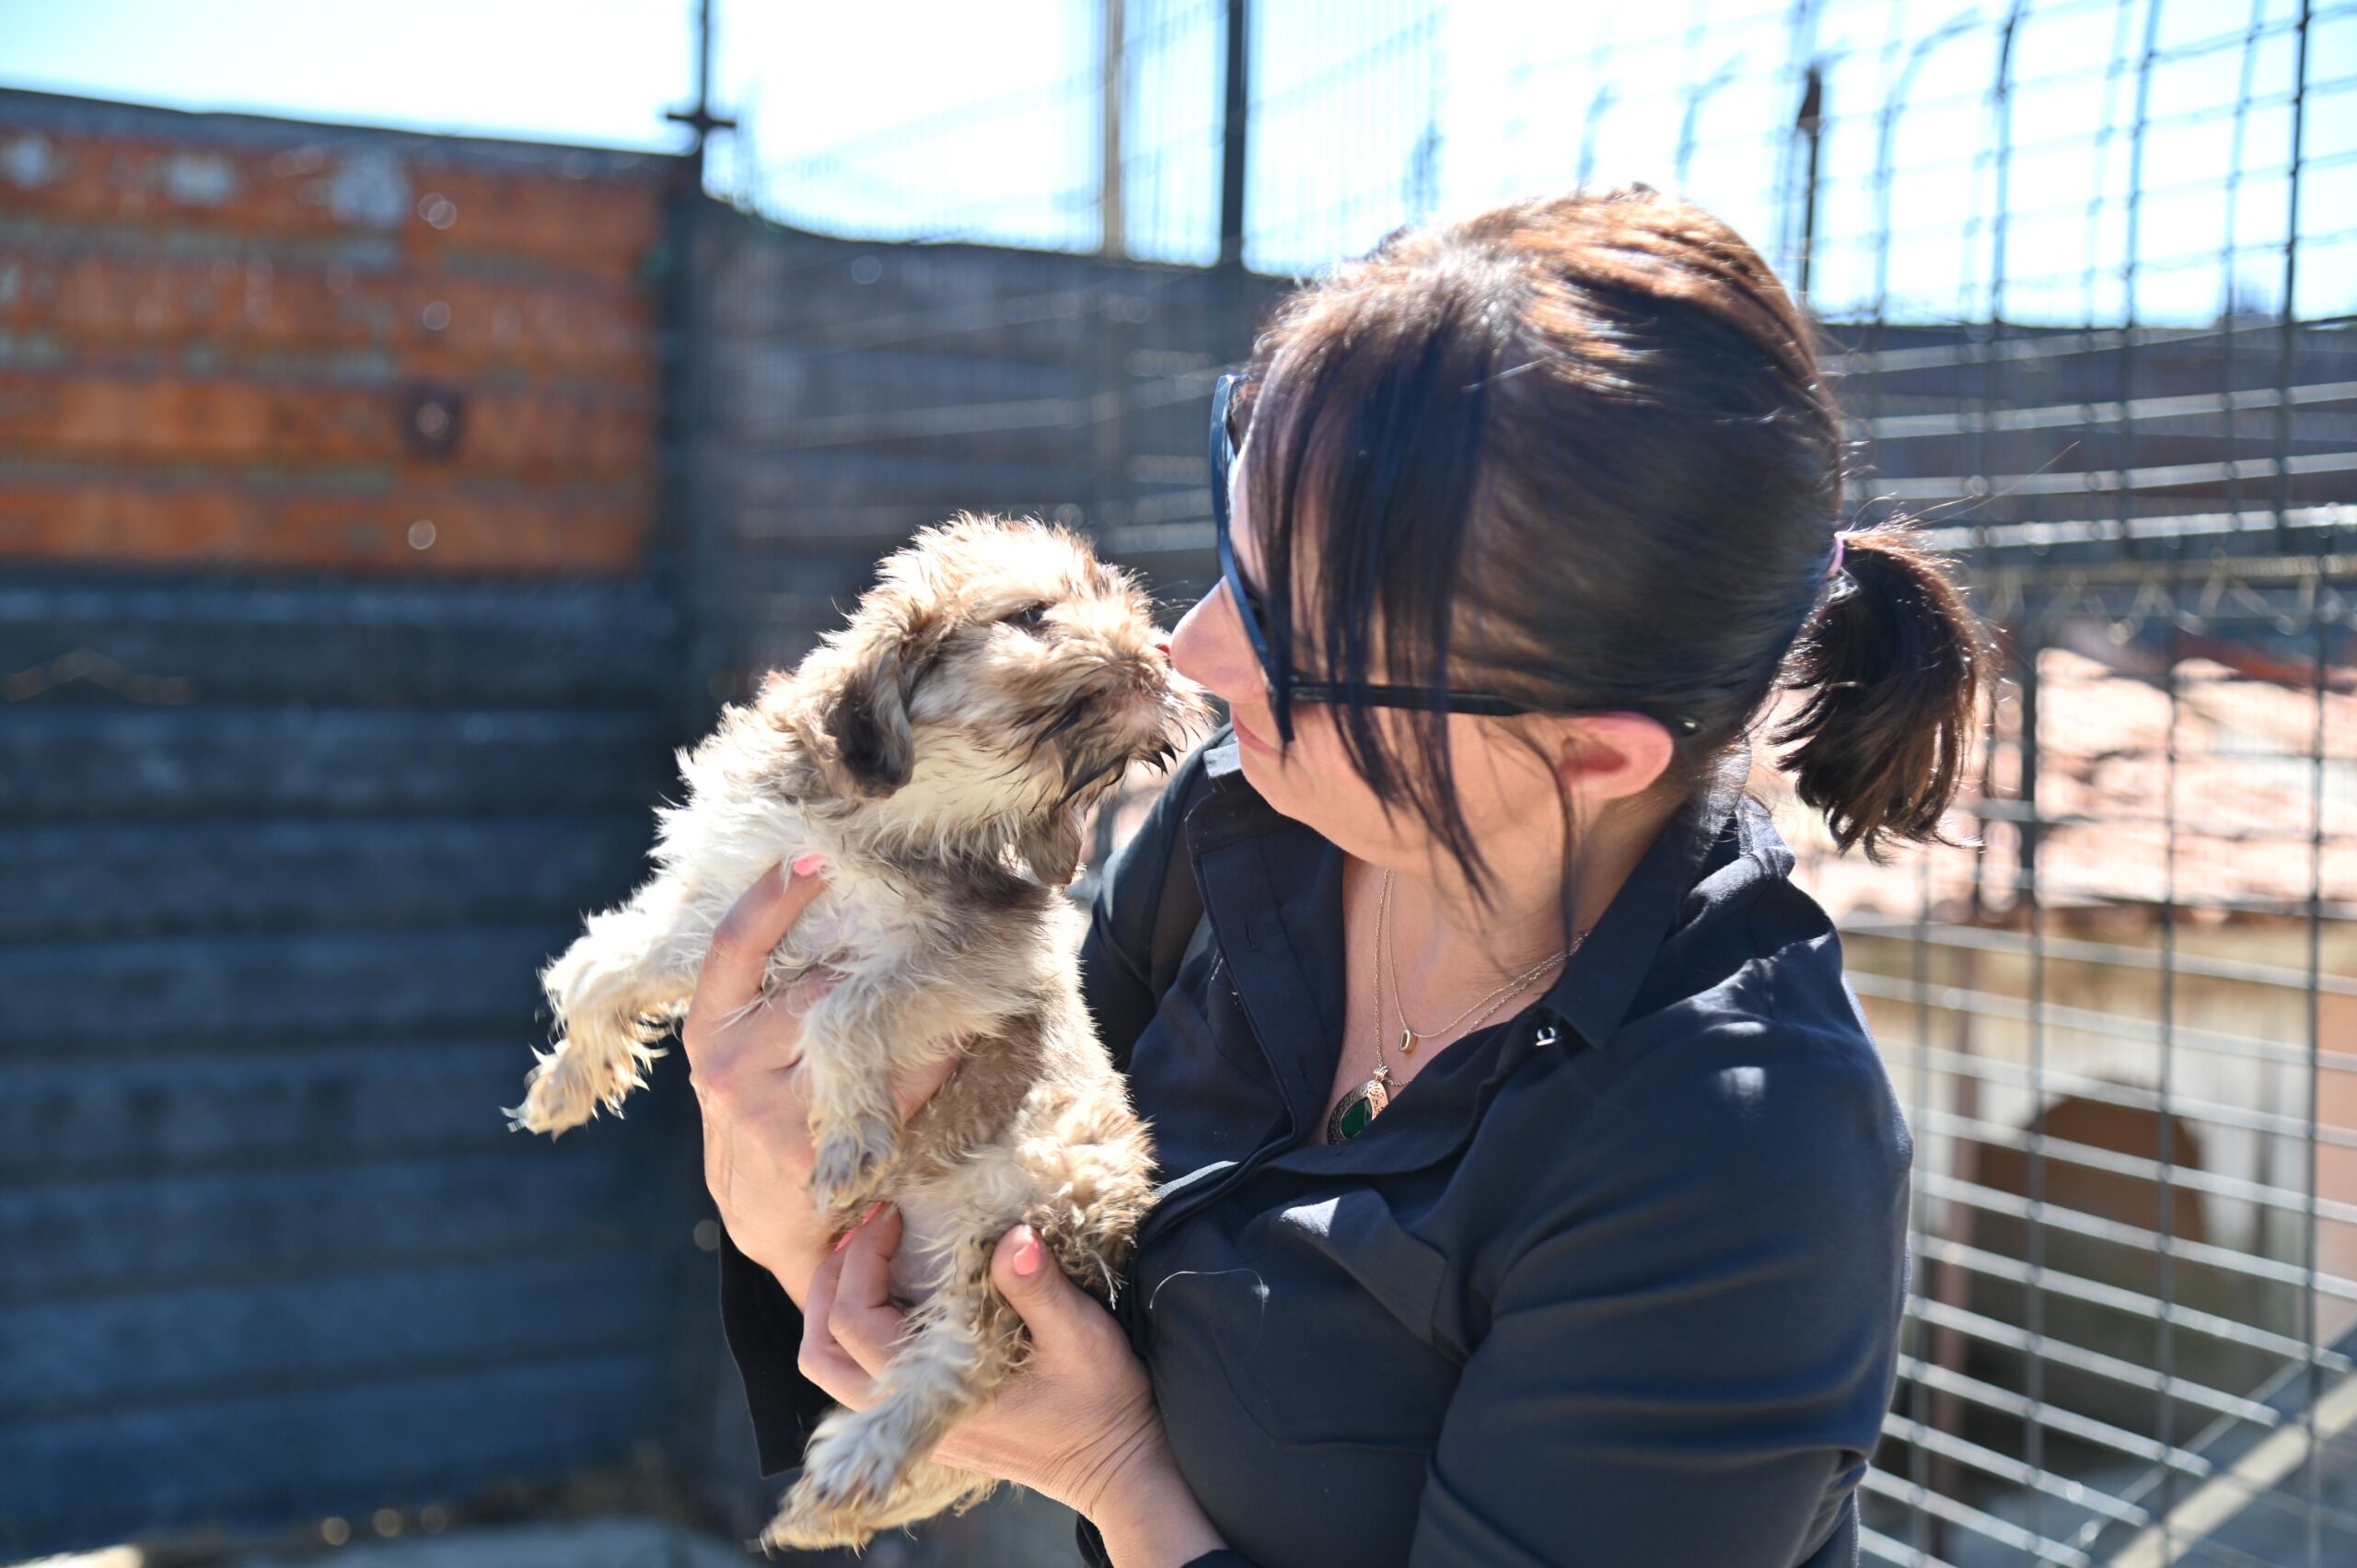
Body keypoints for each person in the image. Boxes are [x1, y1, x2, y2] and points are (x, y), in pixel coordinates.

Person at [684, 185, 1981, 1567]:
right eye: (1237, 556)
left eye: (1294, 639)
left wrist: (1116, 1474)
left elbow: (1073, 1423)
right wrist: (788, 1218)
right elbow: (966, 1232)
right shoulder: (1253, 821)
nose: (1191, 650)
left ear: (1590, 756)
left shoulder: (1736, 1167)